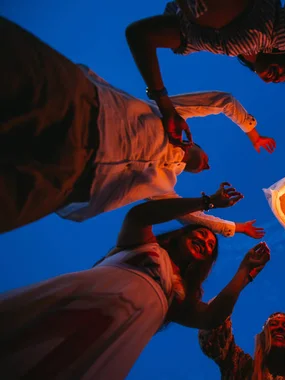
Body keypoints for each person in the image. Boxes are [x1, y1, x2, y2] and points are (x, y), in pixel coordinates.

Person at [0, 17, 270, 238]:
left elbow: (186, 216)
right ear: (194, 143)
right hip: (83, 106)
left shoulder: (164, 185)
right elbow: (222, 101)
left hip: (68, 182)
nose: (207, 166)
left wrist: (235, 227)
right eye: (208, 159)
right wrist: (253, 134)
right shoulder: (173, 116)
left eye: (205, 168)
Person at [0, 196, 272, 380]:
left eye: (210, 247)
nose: (206, 240)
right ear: (180, 235)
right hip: (88, 295)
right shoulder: (142, 244)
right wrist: (208, 201)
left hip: (121, 333)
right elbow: (141, 214)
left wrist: (244, 271)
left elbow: (212, 317)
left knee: (66, 377)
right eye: (200, 233)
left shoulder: (177, 296)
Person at [125, 0, 285, 146]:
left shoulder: (196, 42)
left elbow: (139, 35)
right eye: (283, 71)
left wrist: (167, 108)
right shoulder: (281, 32)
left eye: (274, 81)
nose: (276, 77)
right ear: (283, 51)